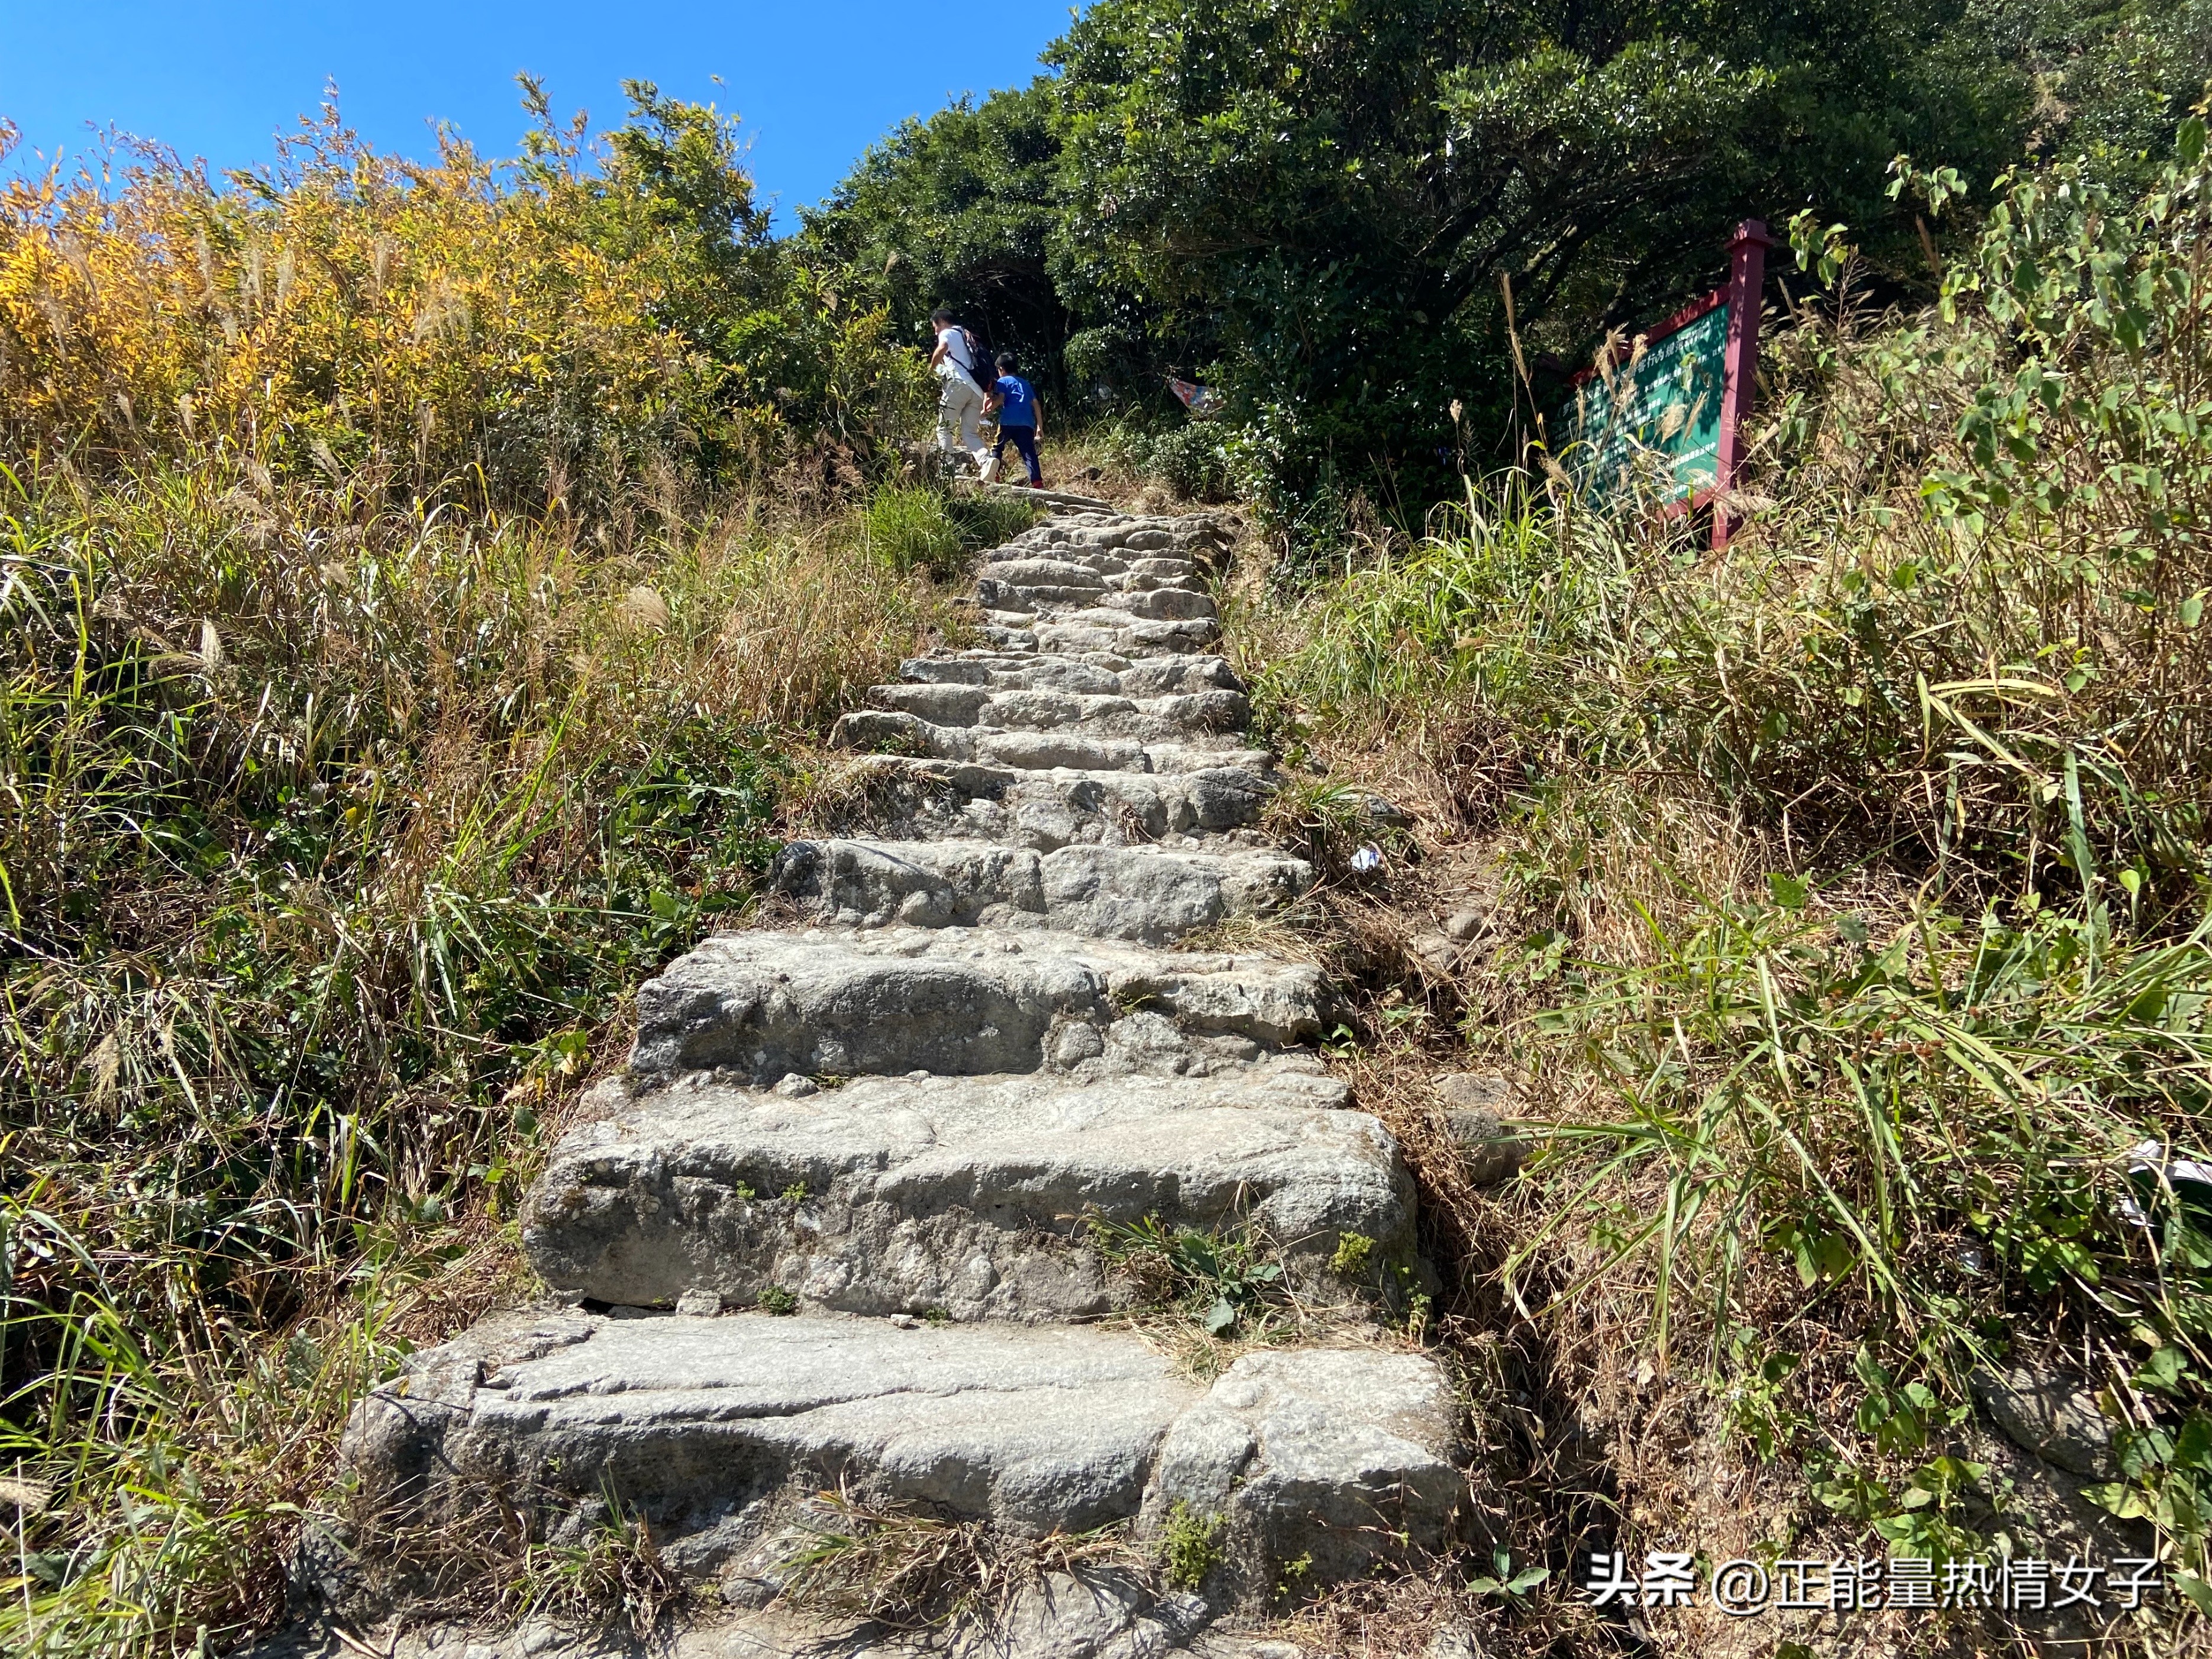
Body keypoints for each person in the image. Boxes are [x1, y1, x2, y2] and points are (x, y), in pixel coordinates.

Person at [927, 307, 989, 472]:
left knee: (944, 428)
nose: (935, 332)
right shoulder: (964, 334)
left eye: (935, 327)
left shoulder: (946, 333)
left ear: (942, 322)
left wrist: (930, 370)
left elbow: (942, 348)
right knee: (970, 432)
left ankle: (947, 469)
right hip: (976, 391)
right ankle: (986, 461)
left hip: (958, 385)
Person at [982, 351, 1044, 488]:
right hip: (1027, 424)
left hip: (1008, 422)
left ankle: (994, 476)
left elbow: (1000, 398)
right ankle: (1037, 482)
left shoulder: (1002, 381)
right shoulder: (1026, 384)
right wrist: (1040, 427)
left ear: (1001, 370)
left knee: (998, 447)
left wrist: (986, 411)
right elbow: (1036, 404)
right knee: (1029, 453)